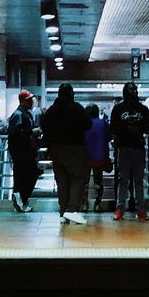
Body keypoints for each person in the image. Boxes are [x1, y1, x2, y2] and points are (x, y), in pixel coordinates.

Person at [41, 82, 92, 225]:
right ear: (71, 94)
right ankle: (71, 210)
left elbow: (45, 128)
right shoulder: (76, 108)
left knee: (62, 181)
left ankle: (63, 212)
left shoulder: (51, 110)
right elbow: (88, 124)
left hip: (56, 149)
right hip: (75, 148)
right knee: (78, 178)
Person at [110, 81, 149, 221]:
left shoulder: (143, 109)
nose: (133, 92)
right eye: (130, 90)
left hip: (138, 148)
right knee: (123, 179)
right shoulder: (118, 109)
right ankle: (120, 208)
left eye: (135, 89)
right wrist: (127, 130)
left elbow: (148, 128)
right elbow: (113, 128)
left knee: (138, 180)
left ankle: (141, 209)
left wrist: (137, 130)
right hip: (123, 147)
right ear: (125, 91)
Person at [7, 90, 40, 213]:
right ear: (23, 101)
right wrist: (32, 132)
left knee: (28, 175)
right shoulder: (18, 115)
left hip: (26, 152)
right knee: (24, 177)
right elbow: (15, 133)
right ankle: (19, 198)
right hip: (21, 153)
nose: (32, 102)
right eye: (29, 100)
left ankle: (21, 199)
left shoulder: (24, 113)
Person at [83, 103, 110, 212]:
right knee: (98, 181)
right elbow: (108, 137)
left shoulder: (83, 124)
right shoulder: (103, 123)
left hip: (85, 157)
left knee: (84, 182)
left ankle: (84, 204)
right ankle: (98, 204)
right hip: (99, 156)